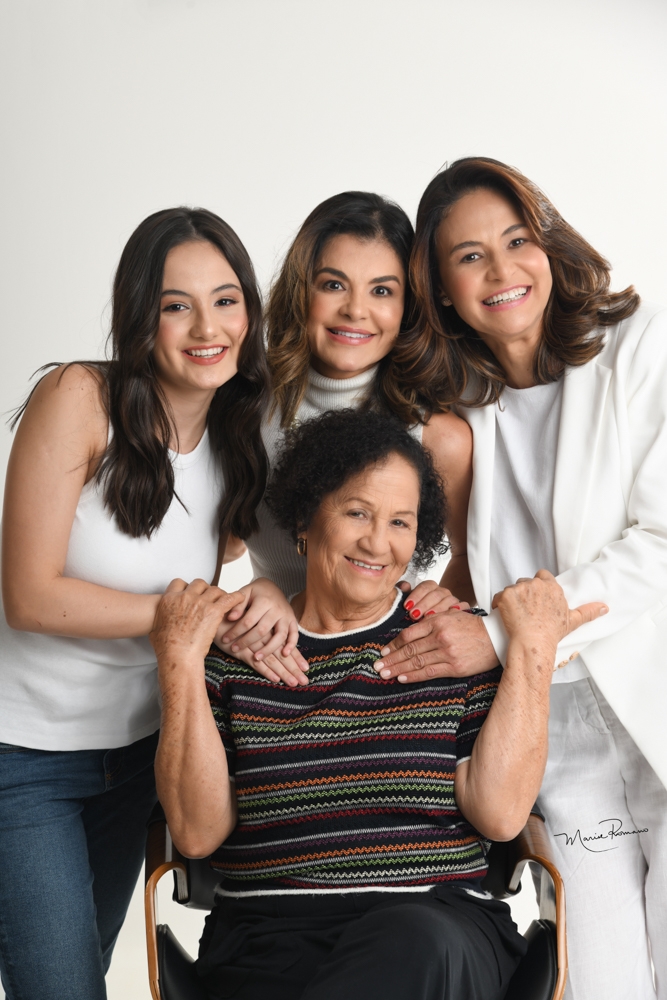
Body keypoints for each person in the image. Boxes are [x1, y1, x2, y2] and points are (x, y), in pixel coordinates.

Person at [151, 409, 605, 1000]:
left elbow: (500, 816)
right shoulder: (238, 656)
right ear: (305, 519)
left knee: (412, 939)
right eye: (357, 513)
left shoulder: (450, 645)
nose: (377, 543)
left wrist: (533, 649)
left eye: (400, 522)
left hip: (438, 928)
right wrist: (180, 659)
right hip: (269, 939)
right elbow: (195, 833)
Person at [378, 157, 667, 999]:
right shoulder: (453, 412)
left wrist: (499, 634)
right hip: (557, 738)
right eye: (468, 256)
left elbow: (661, 539)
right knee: (598, 985)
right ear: (439, 289)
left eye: (515, 241)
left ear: (547, 244)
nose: (500, 270)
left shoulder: (637, 346)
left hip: (654, 699)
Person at [0, 207, 296, 1000]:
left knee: (79, 977)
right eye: (176, 305)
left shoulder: (236, 433)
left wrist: (264, 592)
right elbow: (28, 595)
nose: (207, 327)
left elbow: (234, 569)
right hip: (22, 757)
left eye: (226, 300)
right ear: (140, 318)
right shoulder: (79, 397)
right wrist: (192, 617)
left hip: (137, 755)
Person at [224, 192, 474, 688]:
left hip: (387, 676)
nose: (356, 310)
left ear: (407, 307)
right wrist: (256, 598)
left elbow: (467, 560)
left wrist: (430, 612)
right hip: (266, 659)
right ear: (302, 292)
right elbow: (218, 548)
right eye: (334, 284)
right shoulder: (240, 409)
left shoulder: (441, 437)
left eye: (382, 291)